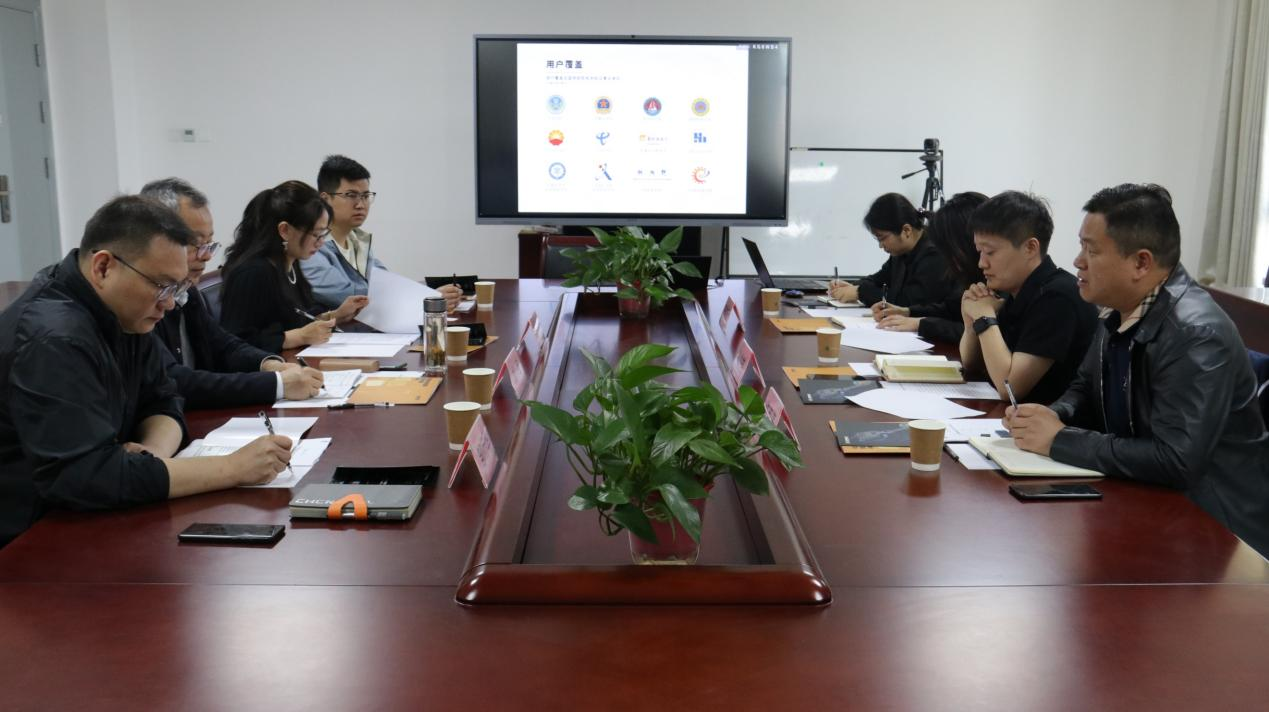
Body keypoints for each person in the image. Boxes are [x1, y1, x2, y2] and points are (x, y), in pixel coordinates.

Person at [0, 196, 293, 546]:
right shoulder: (53, 338)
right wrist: (233, 468)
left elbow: (164, 398)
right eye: (161, 286)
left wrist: (150, 456)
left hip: (91, 518)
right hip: (28, 539)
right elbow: (85, 476)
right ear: (103, 267)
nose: (169, 303)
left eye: (177, 288)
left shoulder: (125, 313)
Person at [1009, 183, 1269, 555]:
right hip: (1148, 498)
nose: (1078, 261)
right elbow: (1085, 387)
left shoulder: (1195, 333)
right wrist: (1052, 415)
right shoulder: (1120, 308)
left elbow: (1176, 460)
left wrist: (1059, 439)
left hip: (1216, 533)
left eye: (1091, 250)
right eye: (1081, 246)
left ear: (1141, 263)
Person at [141, 178, 325, 408]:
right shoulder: (139, 303)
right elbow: (174, 379)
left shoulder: (186, 292)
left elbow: (224, 345)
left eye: (209, 244)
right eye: (196, 244)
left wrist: (270, 364)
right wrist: (276, 384)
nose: (207, 256)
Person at [959, 191, 1097, 403]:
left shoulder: (1058, 298)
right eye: (980, 252)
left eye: (990, 252)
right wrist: (971, 322)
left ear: (1030, 248)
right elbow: (971, 364)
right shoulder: (1013, 289)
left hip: (1055, 420)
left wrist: (984, 317)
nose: (981, 263)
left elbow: (1010, 389)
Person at [219, 180, 368, 353]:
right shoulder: (253, 273)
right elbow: (235, 343)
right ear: (285, 230)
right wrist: (299, 337)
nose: (321, 243)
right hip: (269, 367)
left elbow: (295, 319)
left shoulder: (290, 262)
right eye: (316, 234)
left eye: (324, 234)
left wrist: (335, 315)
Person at [304, 154, 462, 311]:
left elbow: (388, 284)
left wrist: (429, 292)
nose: (360, 205)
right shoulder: (310, 246)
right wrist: (426, 297)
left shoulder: (357, 239)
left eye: (365, 196)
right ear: (325, 199)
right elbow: (348, 296)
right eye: (351, 195)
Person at [873, 191, 989, 343]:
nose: (948, 260)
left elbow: (978, 332)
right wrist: (908, 312)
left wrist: (921, 323)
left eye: (950, 250)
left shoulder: (997, 281)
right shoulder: (969, 274)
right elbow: (951, 309)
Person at [827, 193, 951, 310]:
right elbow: (878, 280)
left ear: (906, 230)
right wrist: (852, 286)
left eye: (882, 238)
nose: (881, 246)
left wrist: (860, 292)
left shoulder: (935, 254)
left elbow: (908, 302)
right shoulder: (901, 252)